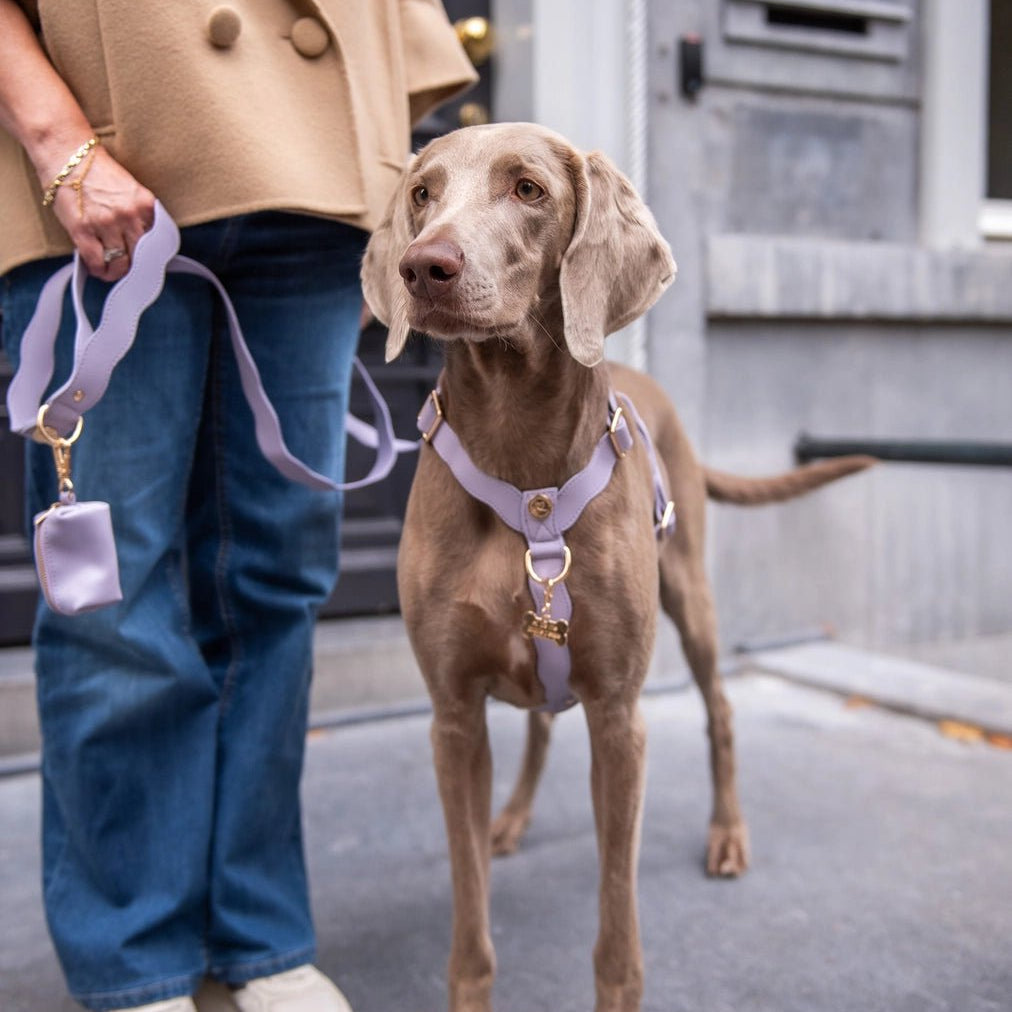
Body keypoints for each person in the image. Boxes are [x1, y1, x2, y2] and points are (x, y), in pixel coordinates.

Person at [0, 3, 476, 1011]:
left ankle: (255, 934)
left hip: (316, 177)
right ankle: (136, 957)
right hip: (102, 157)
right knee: (113, 598)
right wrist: (58, 142)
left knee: (277, 580)